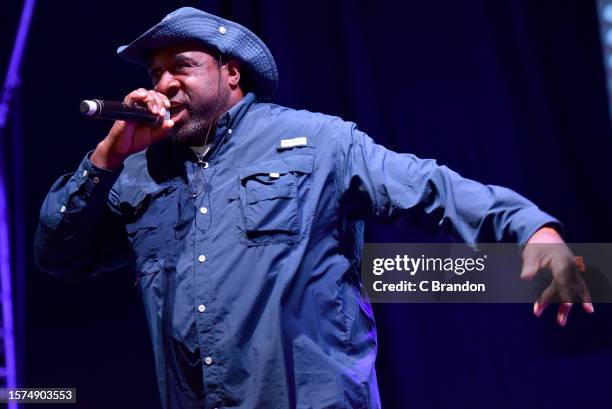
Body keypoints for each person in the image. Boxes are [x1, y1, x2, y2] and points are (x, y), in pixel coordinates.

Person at [34, 7, 593, 409]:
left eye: (181, 65)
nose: (164, 84)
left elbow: (430, 187)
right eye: (154, 74)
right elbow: (57, 256)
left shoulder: (315, 141)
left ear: (231, 73)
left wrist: (531, 229)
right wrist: (106, 157)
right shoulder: (137, 170)